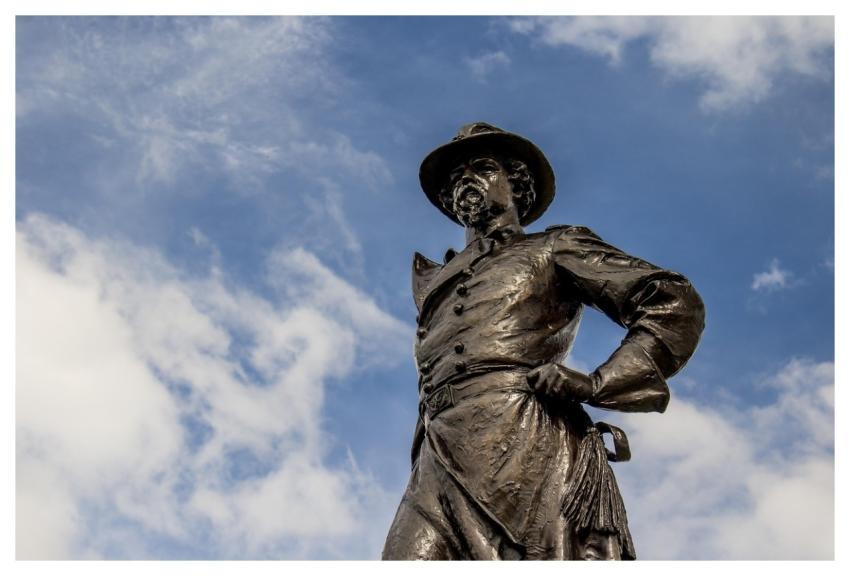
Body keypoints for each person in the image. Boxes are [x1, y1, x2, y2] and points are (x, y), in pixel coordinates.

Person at [381, 123, 705, 560]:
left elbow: (672, 301)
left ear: (515, 183)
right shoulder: (438, 282)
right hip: (437, 450)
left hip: (523, 439)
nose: (465, 179)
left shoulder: (555, 247)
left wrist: (598, 383)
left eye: (481, 167)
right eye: (456, 175)